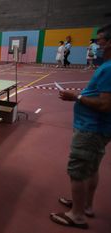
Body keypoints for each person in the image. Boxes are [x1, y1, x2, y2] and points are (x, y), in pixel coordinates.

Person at [50, 24, 111, 230]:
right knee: (91, 168)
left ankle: (76, 216)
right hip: (99, 129)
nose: (96, 44)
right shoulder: (107, 66)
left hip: (91, 128)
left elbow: (104, 104)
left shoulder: (109, 68)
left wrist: (76, 97)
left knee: (78, 170)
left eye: (100, 39)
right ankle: (85, 205)